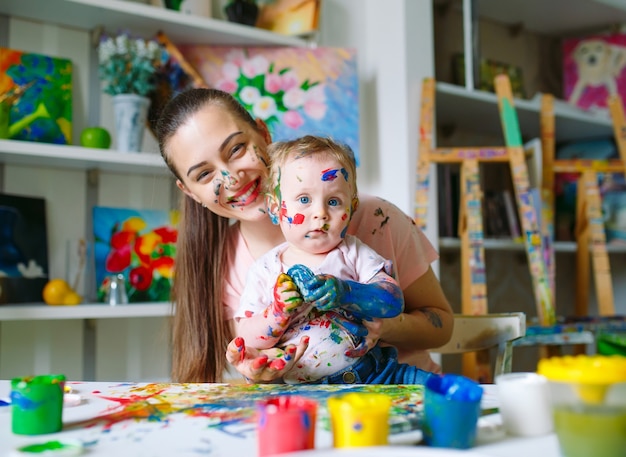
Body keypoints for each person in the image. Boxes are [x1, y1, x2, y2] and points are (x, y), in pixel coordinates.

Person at [155, 87, 453, 383]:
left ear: (263, 134)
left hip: (406, 396)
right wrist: (263, 373)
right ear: (190, 192)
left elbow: (442, 327)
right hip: (315, 410)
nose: (231, 178)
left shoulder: (376, 218)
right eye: (204, 174)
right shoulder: (224, 266)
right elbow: (259, 350)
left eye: (236, 149)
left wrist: (384, 325)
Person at [234, 135, 433, 384]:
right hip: (307, 391)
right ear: (276, 209)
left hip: (377, 374)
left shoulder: (353, 252)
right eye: (304, 199)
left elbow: (393, 301)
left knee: (442, 393)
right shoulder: (265, 269)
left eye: (334, 201)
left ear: (352, 207)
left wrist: (346, 292)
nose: (320, 213)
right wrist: (277, 312)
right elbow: (248, 339)